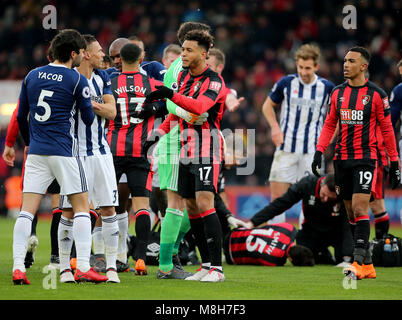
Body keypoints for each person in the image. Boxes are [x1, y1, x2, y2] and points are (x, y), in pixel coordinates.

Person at [12, 29, 107, 284]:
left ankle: (19, 267)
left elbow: (21, 116)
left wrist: (30, 143)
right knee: (81, 208)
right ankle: (83, 266)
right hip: (65, 151)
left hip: (37, 152)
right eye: (80, 53)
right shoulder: (77, 80)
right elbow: (88, 119)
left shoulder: (32, 75)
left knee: (26, 212)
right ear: (74, 54)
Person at [145, 30, 227, 282]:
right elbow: (177, 113)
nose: (183, 55)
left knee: (204, 202)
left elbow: (201, 106)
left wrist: (170, 95)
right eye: (182, 50)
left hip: (206, 148)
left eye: (188, 50)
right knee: (191, 207)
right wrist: (157, 134)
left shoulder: (214, 81)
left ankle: (217, 269)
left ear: (204, 54)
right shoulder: (182, 78)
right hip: (184, 149)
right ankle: (206, 264)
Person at [312, 46, 401, 280]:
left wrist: (394, 162)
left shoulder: (376, 95)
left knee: (362, 207)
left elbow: (388, 129)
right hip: (341, 160)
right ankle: (369, 265)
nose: (345, 65)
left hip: (366, 159)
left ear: (363, 66)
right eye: (344, 61)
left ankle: (357, 261)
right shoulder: (337, 93)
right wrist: (319, 151)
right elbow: (330, 124)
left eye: (351, 61)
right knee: (351, 212)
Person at [59, 34, 120, 283]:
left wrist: (86, 101)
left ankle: (113, 267)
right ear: (85, 54)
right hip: (73, 154)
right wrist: (97, 104)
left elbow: (112, 112)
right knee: (68, 211)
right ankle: (65, 269)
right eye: (98, 51)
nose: (102, 55)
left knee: (108, 208)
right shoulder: (69, 78)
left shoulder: (102, 77)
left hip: (100, 152)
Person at [261, 44, 335, 223]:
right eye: (300, 67)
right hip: (286, 149)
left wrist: (328, 140)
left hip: (312, 152)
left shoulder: (327, 87)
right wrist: (274, 127)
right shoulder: (286, 83)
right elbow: (267, 105)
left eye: (308, 68)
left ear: (316, 66)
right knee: (278, 198)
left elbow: (337, 117)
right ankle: (276, 242)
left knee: (312, 199)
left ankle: (306, 243)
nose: (303, 71)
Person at [107, 42, 163, 276]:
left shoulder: (108, 82)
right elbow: (172, 104)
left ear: (119, 60)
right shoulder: (154, 84)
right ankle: (140, 258)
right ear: (142, 59)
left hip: (111, 150)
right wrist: (154, 109)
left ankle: (103, 257)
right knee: (141, 206)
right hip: (141, 150)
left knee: (104, 204)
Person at [245, 173, 353, 265]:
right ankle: (324, 255)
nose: (325, 199)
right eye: (323, 195)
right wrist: (253, 222)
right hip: (311, 232)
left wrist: (347, 255)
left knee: (343, 260)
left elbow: (347, 224)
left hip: (336, 233)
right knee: (302, 261)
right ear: (321, 183)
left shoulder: (344, 192)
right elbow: (281, 204)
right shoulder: (307, 184)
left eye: (330, 198)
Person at [223, 223, 315, 267]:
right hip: (231, 256)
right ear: (291, 259)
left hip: (234, 233)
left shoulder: (289, 229)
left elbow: (267, 225)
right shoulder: (277, 261)